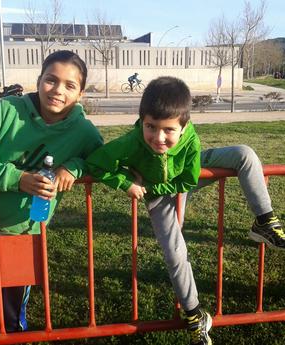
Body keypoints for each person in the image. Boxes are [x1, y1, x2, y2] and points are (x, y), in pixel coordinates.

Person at [0, 50, 103, 337]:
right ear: (39, 80)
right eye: (51, 80)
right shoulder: (6, 110)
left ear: (81, 93)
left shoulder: (84, 132)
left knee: (13, 309)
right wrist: (17, 179)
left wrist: (74, 167)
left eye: (69, 85)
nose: (58, 90)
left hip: (24, 230)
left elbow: (99, 161)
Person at [86, 76, 212, 345]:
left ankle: (265, 220)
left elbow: (189, 180)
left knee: (244, 154)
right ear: (141, 120)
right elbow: (96, 164)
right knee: (175, 254)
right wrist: (125, 182)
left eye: (168, 130)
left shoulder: (191, 140)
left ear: (184, 126)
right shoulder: (132, 141)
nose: (158, 137)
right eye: (150, 127)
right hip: (157, 200)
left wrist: (153, 186)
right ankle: (194, 313)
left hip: (166, 190)